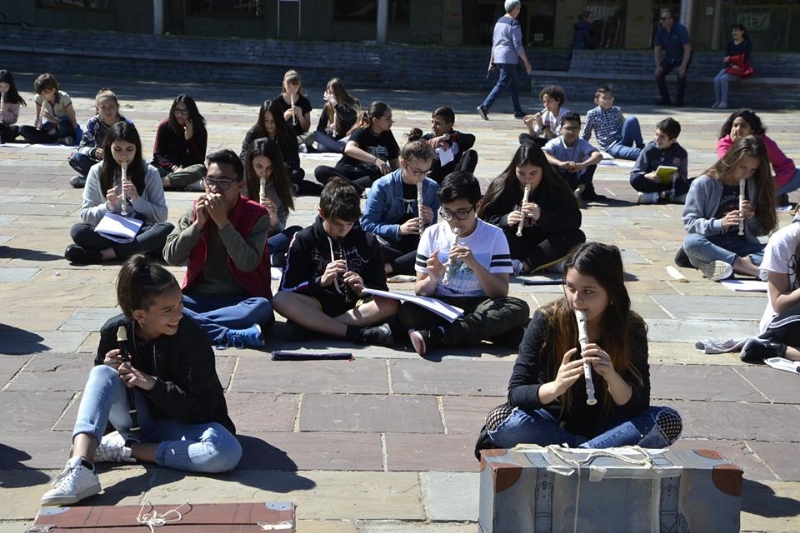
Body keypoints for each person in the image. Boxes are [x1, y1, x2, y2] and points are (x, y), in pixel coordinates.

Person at [40, 255, 241, 507]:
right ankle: (81, 466)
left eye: (180, 304)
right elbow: (102, 399)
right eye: (167, 310)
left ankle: (122, 451)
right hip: (134, 421)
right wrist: (109, 368)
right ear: (140, 315)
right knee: (101, 374)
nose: (178, 314)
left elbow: (204, 408)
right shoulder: (114, 331)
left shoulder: (191, 334)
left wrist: (154, 385)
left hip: (180, 426)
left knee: (226, 451)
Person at [482, 242, 682, 451]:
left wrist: (611, 376)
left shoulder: (631, 327)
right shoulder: (547, 319)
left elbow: (639, 404)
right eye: (570, 288)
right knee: (501, 419)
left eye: (588, 291)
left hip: (609, 426)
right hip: (552, 422)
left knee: (667, 420)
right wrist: (556, 387)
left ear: (611, 292)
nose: (577, 300)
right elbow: (516, 393)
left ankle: (576, 454)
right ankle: (593, 453)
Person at [399, 171, 531, 356]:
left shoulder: (494, 235)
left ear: (477, 206)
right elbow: (420, 291)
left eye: (461, 212)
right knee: (407, 312)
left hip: (480, 303)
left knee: (518, 308)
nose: (454, 220)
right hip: (442, 303)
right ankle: (500, 335)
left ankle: (439, 334)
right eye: (447, 212)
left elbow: (500, 292)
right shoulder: (432, 234)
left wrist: (475, 265)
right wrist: (433, 279)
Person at [163, 149, 274, 349]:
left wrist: (223, 222)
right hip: (198, 297)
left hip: (242, 298)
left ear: (240, 184)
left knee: (262, 307)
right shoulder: (196, 210)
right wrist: (197, 226)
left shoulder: (257, 215)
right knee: (160, 305)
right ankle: (228, 334)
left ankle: (187, 325)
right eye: (210, 181)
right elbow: (170, 255)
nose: (215, 189)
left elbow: (247, 263)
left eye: (224, 182)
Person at [273, 177, 399, 346]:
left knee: (392, 303)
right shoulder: (304, 239)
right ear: (322, 213)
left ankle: (318, 327)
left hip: (355, 307)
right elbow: (287, 287)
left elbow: (381, 289)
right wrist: (320, 282)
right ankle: (355, 333)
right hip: (316, 304)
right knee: (280, 300)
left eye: (349, 224)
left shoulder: (367, 240)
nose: (343, 230)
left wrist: (363, 288)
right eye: (337, 224)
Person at [65, 122, 173, 265]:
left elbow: (161, 216)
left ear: (137, 149)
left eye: (129, 150)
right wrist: (108, 206)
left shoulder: (149, 172)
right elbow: (86, 215)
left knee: (166, 229)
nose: (123, 156)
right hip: (109, 230)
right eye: (117, 149)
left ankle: (103, 255)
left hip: (139, 230)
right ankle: (135, 251)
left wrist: (137, 200)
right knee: (78, 231)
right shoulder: (97, 171)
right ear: (109, 148)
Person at [681, 135, 777, 282]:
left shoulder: (754, 184)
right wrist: (721, 223)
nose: (746, 174)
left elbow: (761, 231)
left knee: (780, 248)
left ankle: (723, 265)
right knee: (692, 243)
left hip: (741, 246)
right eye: (743, 167)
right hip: (711, 245)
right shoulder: (704, 183)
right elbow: (690, 224)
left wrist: (751, 218)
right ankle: (750, 269)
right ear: (732, 160)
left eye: (752, 170)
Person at [480, 143, 585, 276]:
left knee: (576, 236)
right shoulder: (502, 186)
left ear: (543, 170)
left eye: (533, 173)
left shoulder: (556, 187)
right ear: (514, 169)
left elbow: (574, 220)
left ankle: (524, 265)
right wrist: (504, 220)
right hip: (515, 242)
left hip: (545, 243)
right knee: (494, 238)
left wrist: (543, 217)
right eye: (521, 173)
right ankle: (545, 263)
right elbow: (481, 221)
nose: (527, 179)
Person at [361, 140, 440, 277]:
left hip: (416, 244)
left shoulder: (432, 188)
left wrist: (429, 221)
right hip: (388, 242)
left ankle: (389, 268)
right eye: (417, 172)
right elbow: (367, 224)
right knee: (369, 247)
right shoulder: (382, 186)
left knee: (438, 250)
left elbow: (431, 232)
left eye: (426, 172)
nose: (422, 177)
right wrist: (399, 229)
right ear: (403, 163)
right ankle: (404, 264)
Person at [741, 215, 800, 363]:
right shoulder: (784, 240)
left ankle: (778, 350)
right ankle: (774, 346)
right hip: (782, 322)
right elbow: (779, 304)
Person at [313, 101, 400, 193]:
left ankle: (341, 189)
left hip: (366, 177)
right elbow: (349, 149)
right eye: (387, 119)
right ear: (375, 121)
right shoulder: (362, 131)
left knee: (386, 177)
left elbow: (394, 163)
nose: (391, 122)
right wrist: (376, 160)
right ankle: (359, 190)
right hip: (346, 173)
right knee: (321, 171)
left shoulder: (387, 135)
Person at [716, 109, 800, 203]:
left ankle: (769, 196)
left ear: (752, 131)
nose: (738, 129)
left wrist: (772, 185)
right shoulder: (725, 143)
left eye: (743, 126)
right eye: (735, 125)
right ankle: (771, 199)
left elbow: (785, 165)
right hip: (734, 188)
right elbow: (728, 166)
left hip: (759, 186)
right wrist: (737, 144)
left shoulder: (763, 142)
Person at [243, 137, 302, 268]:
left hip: (268, 239)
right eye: (259, 166)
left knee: (297, 232)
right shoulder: (240, 183)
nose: (264, 173)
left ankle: (260, 254)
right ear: (250, 163)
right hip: (243, 238)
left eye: (269, 168)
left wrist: (273, 218)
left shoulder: (281, 186)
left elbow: (280, 229)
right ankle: (267, 254)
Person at [477, 0, 532, 121]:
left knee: (513, 85)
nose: (519, 10)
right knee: (502, 83)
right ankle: (485, 106)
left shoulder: (499, 22)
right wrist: (526, 62)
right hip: (508, 57)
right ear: (513, 9)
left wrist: (492, 59)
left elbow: (494, 43)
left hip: (499, 55)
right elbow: (517, 44)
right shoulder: (514, 23)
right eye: (518, 8)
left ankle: (518, 110)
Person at [240, 99, 309, 193]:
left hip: (278, 171)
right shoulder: (254, 132)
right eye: (266, 121)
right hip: (257, 170)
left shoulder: (288, 133)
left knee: (297, 173)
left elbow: (294, 161)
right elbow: (244, 155)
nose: (269, 125)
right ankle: (289, 187)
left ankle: (285, 186)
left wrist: (275, 166)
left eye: (273, 121)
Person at [68, 88, 133, 189]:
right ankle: (99, 180)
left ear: (117, 106)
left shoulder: (126, 124)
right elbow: (82, 147)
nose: (108, 111)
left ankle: (91, 181)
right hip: (99, 163)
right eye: (103, 107)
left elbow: (133, 148)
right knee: (74, 158)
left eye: (111, 107)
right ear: (97, 109)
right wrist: (94, 152)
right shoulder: (92, 123)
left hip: (121, 162)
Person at [542, 112, 604, 206]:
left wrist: (582, 165)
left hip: (577, 179)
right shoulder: (555, 142)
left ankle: (578, 192)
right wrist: (559, 163)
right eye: (568, 128)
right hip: (560, 178)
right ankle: (563, 192)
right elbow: (543, 153)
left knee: (591, 164)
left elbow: (598, 156)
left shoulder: (582, 143)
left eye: (575, 128)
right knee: (550, 164)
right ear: (561, 129)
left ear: (579, 129)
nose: (572, 132)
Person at [408, 106, 477, 184]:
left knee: (471, 153)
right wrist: (431, 147)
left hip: (455, 179)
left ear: (449, 125)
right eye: (432, 122)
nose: (433, 126)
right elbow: (415, 146)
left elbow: (471, 138)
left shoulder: (456, 138)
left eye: (437, 123)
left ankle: (462, 186)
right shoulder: (428, 138)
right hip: (435, 179)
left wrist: (447, 137)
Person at [152, 94, 207, 190]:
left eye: (184, 111)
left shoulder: (200, 130)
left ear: (191, 112)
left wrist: (189, 140)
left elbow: (199, 160)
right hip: (168, 169)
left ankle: (161, 183)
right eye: (177, 110)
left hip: (188, 170)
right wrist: (174, 168)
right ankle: (183, 184)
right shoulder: (165, 127)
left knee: (201, 169)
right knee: (148, 168)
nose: (180, 115)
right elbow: (158, 155)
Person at [630, 117, 689, 205]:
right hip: (653, 184)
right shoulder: (649, 150)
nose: (657, 139)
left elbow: (684, 177)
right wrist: (647, 175)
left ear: (672, 140)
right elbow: (636, 172)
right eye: (656, 134)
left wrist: (677, 176)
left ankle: (657, 196)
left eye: (662, 137)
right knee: (635, 179)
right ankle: (669, 196)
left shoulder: (681, 153)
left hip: (671, 185)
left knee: (696, 182)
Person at [581, 86, 644, 161]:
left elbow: (626, 127)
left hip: (622, 140)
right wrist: (580, 149)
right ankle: (648, 154)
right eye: (604, 98)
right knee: (638, 153)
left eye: (610, 98)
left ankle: (640, 146)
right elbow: (586, 134)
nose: (608, 101)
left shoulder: (617, 110)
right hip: (611, 147)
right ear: (596, 101)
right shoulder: (592, 114)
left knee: (631, 119)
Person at [18, 72, 78, 145]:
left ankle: (50, 139)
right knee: (22, 129)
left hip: (64, 127)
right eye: (40, 93)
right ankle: (59, 140)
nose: (42, 96)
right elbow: (37, 119)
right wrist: (38, 122)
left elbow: (73, 123)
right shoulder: (38, 98)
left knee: (65, 126)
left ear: (53, 90)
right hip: (50, 128)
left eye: (45, 93)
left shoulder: (64, 98)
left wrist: (53, 119)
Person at [653, 8, 692, 107]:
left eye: (664, 18)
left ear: (671, 19)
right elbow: (657, 48)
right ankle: (665, 99)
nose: (662, 21)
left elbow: (687, 48)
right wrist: (658, 66)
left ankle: (680, 100)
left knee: (681, 74)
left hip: (682, 56)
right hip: (670, 57)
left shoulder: (680, 29)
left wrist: (683, 66)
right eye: (661, 19)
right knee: (659, 74)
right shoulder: (661, 31)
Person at [313, 78, 361, 154]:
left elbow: (348, 116)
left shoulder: (353, 102)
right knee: (316, 134)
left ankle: (337, 147)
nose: (331, 97)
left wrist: (335, 104)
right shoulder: (327, 106)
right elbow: (320, 128)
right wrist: (328, 129)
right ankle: (341, 148)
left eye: (333, 93)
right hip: (333, 139)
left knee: (354, 139)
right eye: (330, 93)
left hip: (347, 137)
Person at [712, 24, 753, 110]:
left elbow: (746, 58)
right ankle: (718, 100)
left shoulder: (746, 43)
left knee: (724, 78)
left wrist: (737, 65)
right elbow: (726, 58)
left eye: (736, 30)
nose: (734, 33)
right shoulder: (730, 43)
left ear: (742, 32)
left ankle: (724, 102)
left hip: (741, 69)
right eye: (733, 31)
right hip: (730, 67)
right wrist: (731, 65)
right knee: (717, 79)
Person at [271, 69, 312, 148]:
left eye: (295, 86)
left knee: (311, 136)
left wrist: (300, 116)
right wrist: (283, 118)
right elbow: (272, 128)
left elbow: (306, 129)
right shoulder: (276, 102)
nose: (292, 90)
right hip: (282, 135)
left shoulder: (305, 102)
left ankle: (291, 145)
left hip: (298, 136)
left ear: (299, 86)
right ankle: (295, 146)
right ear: (284, 84)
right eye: (289, 86)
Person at [0, 69, 26, 144]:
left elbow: (13, 120)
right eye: (0, 86)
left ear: (10, 86)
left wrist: (5, 111)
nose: (3, 90)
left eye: (6, 87)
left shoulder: (14, 99)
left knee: (16, 129)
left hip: (3, 126)